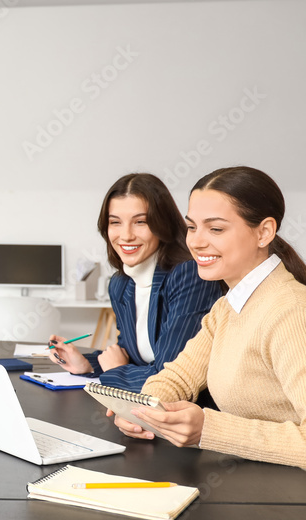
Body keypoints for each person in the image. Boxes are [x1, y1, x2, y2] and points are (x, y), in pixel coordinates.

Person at [112, 166, 306, 468]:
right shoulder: (228, 307)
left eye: (215, 229)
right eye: (192, 227)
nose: (197, 242)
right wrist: (144, 410)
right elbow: (178, 376)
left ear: (264, 232)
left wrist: (208, 429)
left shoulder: (291, 311)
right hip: (250, 483)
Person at [48, 174, 221, 390]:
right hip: (144, 407)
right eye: (115, 222)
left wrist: (115, 372)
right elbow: (128, 356)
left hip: (188, 411)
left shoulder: (189, 275)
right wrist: (86, 364)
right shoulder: (120, 284)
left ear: (162, 225)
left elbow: (171, 374)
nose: (126, 235)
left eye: (140, 222)